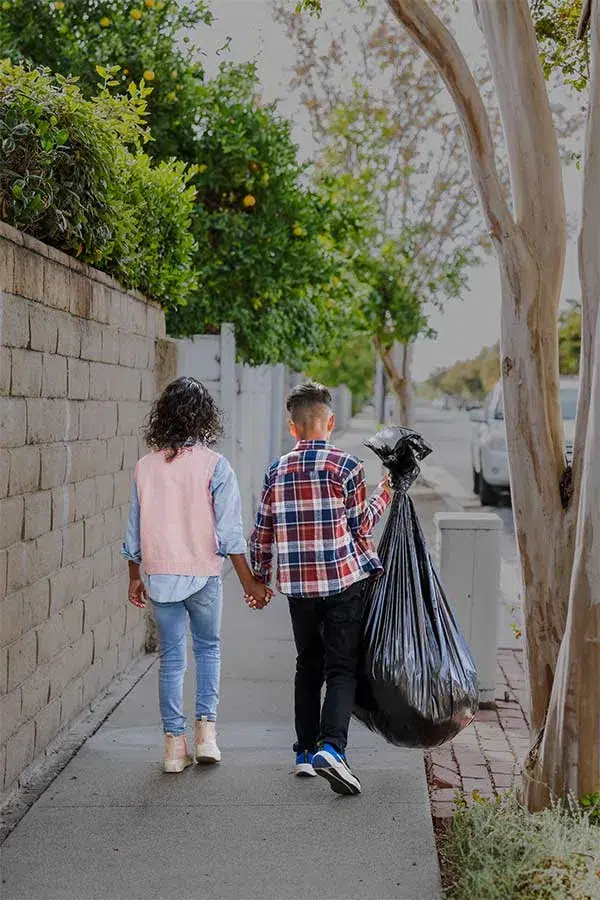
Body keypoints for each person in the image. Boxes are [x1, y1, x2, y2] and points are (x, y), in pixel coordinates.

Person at [249, 382, 392, 795]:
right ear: (329, 422)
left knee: (307, 666)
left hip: (298, 589)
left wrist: (258, 578)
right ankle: (333, 747)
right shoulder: (347, 467)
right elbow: (360, 524)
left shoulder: (276, 471)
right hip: (342, 583)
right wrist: (385, 494)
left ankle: (303, 754)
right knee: (341, 668)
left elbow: (263, 533)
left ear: (293, 428)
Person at [122, 376, 270, 774]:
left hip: (160, 576)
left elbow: (133, 529)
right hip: (203, 574)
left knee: (172, 660)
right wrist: (249, 583)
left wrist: (134, 575)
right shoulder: (216, 466)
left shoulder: (145, 467)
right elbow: (229, 532)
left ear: (163, 417)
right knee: (207, 649)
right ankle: (206, 736)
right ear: (204, 417)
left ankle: (174, 746)